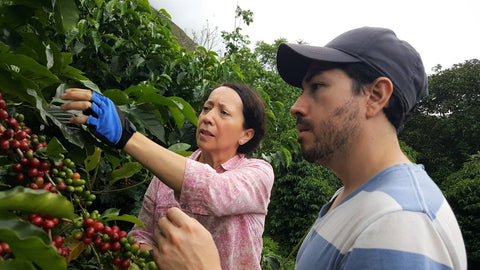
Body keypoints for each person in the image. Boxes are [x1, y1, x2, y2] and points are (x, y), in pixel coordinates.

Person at [150, 27, 468, 269]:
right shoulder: (352, 200)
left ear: (375, 96)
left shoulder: (401, 223)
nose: (296, 107)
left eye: (317, 87)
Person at [60, 82, 274, 270]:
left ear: (246, 134)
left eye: (223, 113)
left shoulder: (258, 173)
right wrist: (152, 255)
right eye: (206, 108)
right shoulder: (164, 178)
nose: (208, 118)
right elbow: (142, 234)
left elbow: (215, 191)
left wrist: (128, 137)